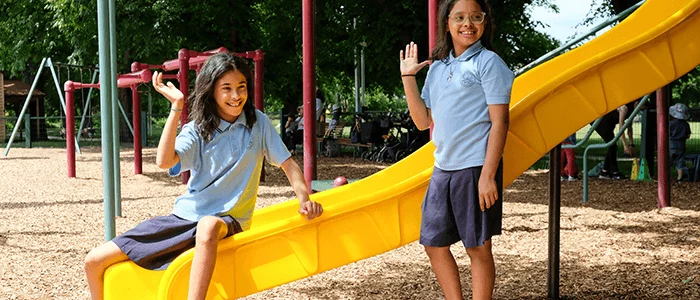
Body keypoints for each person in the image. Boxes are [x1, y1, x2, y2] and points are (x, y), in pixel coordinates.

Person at [83, 53, 323, 300]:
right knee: (94, 261)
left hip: (228, 219)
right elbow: (164, 161)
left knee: (207, 225)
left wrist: (304, 199)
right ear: (212, 92)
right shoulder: (198, 129)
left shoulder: (257, 123)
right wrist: (177, 106)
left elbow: (289, 164)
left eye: (241, 87)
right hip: (183, 218)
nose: (236, 96)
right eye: (226, 89)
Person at [399, 0, 513, 299]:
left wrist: (488, 175)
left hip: (475, 167)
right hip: (443, 168)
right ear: (446, 23)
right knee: (433, 243)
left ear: (485, 22)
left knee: (477, 246)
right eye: (459, 17)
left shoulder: (488, 62)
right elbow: (423, 122)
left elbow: (500, 121)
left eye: (476, 17)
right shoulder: (438, 68)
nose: (468, 24)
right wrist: (408, 78)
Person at [594, 109, 626, 179]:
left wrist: (631, 144)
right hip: (602, 123)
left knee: (612, 146)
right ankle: (614, 171)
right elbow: (621, 128)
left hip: (608, 124)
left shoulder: (632, 111)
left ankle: (605, 171)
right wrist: (625, 145)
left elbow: (629, 127)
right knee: (612, 146)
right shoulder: (624, 109)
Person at [669, 103, 691, 181]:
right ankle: (679, 178)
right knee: (680, 162)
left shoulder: (671, 124)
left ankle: (666, 177)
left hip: (671, 145)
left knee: (668, 161)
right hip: (681, 145)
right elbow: (688, 135)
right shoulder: (686, 124)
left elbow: (667, 133)